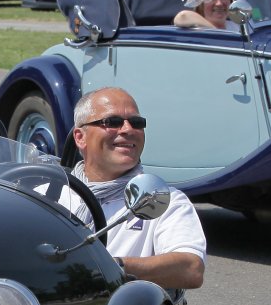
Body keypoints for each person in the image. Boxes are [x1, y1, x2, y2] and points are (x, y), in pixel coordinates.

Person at [61, 87, 206, 293]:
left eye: (136, 123)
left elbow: (191, 268)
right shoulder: (49, 193)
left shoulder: (162, 198)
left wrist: (111, 267)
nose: (128, 129)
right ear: (80, 137)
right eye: (112, 122)